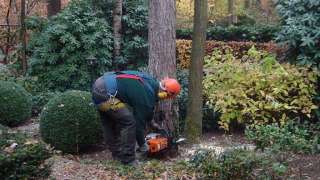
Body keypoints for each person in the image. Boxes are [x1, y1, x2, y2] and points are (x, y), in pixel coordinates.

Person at [91, 70, 181, 165]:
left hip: (101, 84)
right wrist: (143, 144)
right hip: (106, 93)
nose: (165, 98)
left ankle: (117, 155)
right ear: (165, 92)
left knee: (109, 123)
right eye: (167, 96)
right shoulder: (147, 97)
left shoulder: (150, 82)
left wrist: (152, 123)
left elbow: (149, 99)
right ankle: (128, 159)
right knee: (129, 122)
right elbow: (139, 125)